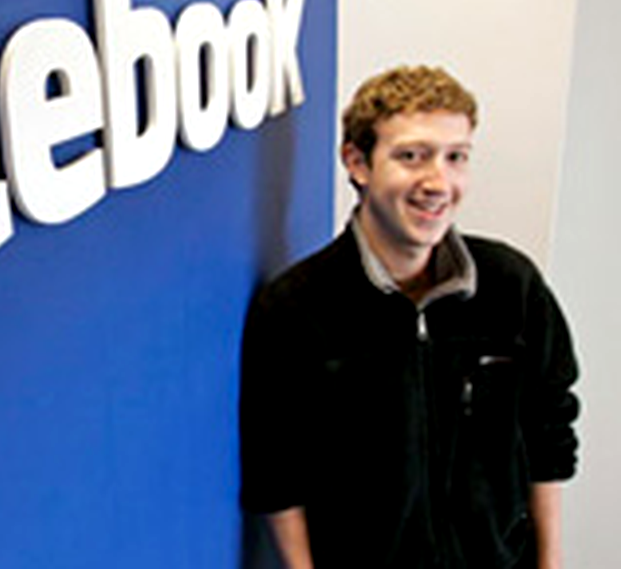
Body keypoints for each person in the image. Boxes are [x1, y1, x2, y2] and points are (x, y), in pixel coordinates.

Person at [240, 65, 580, 568]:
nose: (438, 182)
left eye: (455, 157)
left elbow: (548, 433)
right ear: (357, 162)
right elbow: (277, 474)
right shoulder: (294, 308)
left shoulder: (512, 286)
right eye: (411, 156)